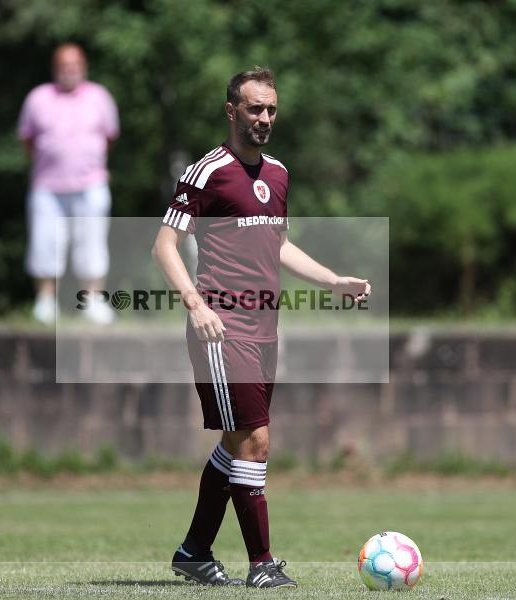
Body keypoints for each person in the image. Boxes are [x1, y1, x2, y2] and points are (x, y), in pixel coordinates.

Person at [152, 67, 370, 588]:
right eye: (254, 108)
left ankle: (193, 552)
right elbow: (164, 245)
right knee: (255, 441)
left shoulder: (278, 174)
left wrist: (333, 280)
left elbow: (280, 245)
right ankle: (262, 565)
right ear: (232, 111)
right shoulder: (206, 172)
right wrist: (196, 306)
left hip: (265, 328)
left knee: (237, 444)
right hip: (221, 328)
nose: (264, 118)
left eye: (271, 109)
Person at [17, 43, 119, 325]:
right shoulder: (37, 98)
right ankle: (45, 301)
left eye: (75, 65)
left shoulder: (100, 97)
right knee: (45, 244)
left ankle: (92, 300)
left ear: (83, 67)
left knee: (92, 242)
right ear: (54, 68)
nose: (69, 71)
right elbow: (27, 138)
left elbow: (110, 136)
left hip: (91, 183)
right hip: (47, 185)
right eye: (64, 65)